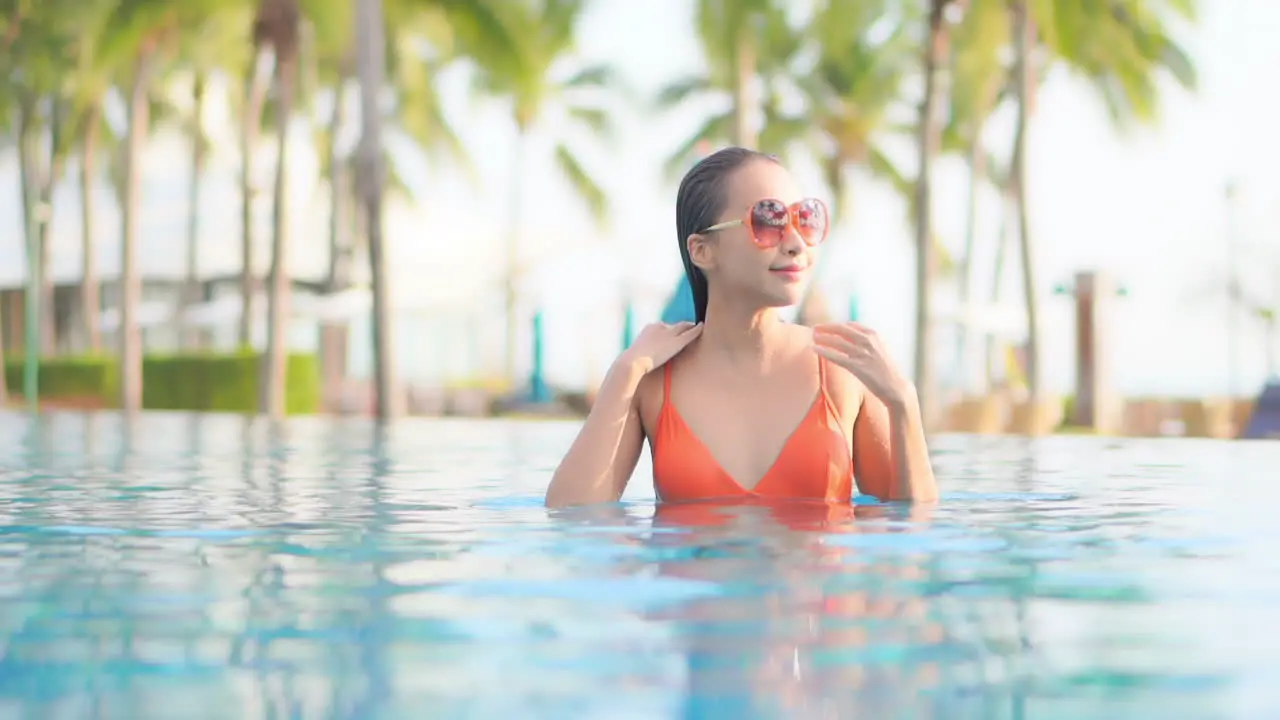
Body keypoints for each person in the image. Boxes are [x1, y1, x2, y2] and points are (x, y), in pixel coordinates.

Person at [545, 146, 937, 508]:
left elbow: (909, 527)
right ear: (702, 250)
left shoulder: (842, 369)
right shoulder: (653, 384)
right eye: (769, 220)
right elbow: (573, 516)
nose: (796, 241)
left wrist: (903, 402)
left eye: (806, 218)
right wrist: (623, 374)